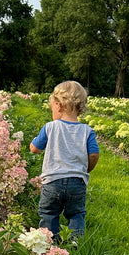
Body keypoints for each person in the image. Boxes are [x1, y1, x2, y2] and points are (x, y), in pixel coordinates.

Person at [30, 80, 100, 242]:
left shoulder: (50, 127)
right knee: (76, 213)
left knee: (49, 213)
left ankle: (49, 243)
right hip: (77, 182)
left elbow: (35, 148)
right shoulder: (87, 131)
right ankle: (74, 243)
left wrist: (34, 143)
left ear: (58, 105)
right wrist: (86, 169)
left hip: (52, 181)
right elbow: (94, 155)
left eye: (52, 107)